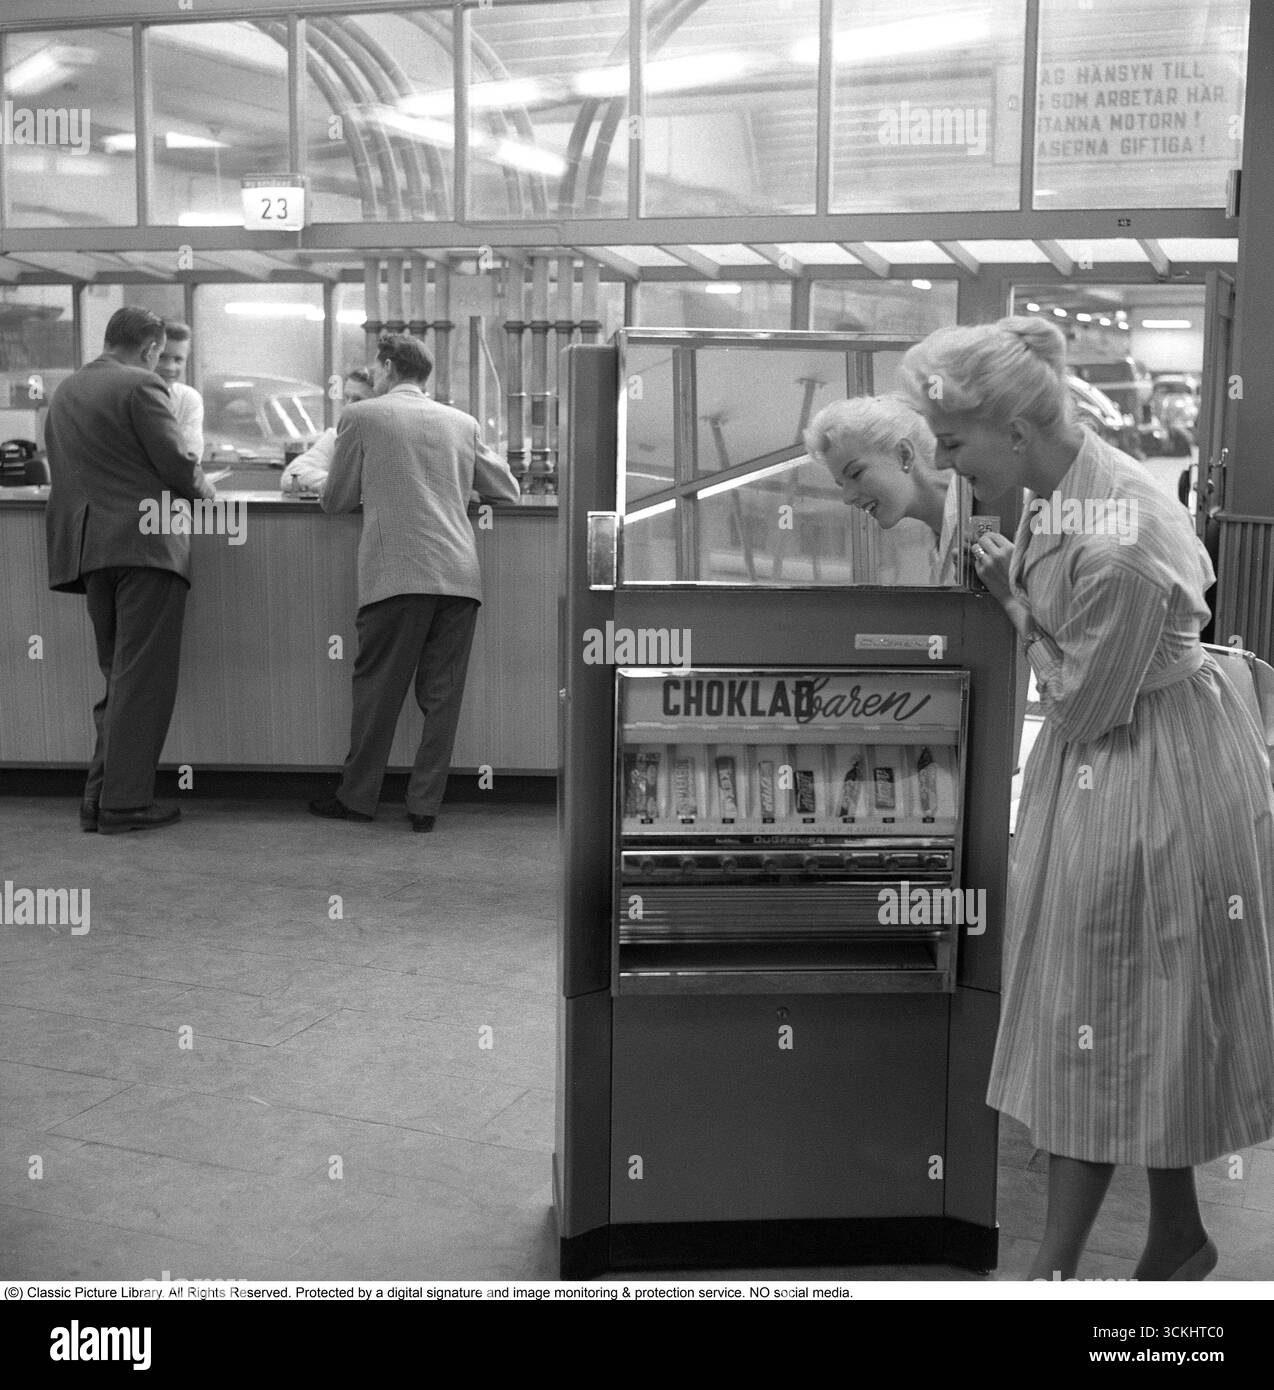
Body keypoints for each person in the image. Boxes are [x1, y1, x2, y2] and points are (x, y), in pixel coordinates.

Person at [898, 315, 1274, 1281]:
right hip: (1126, 761)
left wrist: (1013, 607)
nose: (944, 466)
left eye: (952, 446)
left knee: (1092, 1018)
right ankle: (1177, 1238)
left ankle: (1052, 1274)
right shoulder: (1065, 480)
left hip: (1150, 776)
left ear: (1015, 433)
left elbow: (1080, 701)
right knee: (1148, 1011)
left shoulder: (1124, 538)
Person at [310, 333, 520, 831]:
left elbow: (335, 500)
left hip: (395, 576)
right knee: (441, 699)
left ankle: (357, 799)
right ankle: (424, 807)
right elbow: (506, 489)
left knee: (377, 694)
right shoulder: (461, 422)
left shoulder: (363, 417)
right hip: (459, 578)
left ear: (386, 367)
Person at [44, 306, 216, 834]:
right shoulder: (142, 386)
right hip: (145, 548)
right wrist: (207, 492)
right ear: (149, 349)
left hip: (90, 549)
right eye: (161, 355)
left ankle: (98, 799)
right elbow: (174, 461)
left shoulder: (67, 390)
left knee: (120, 677)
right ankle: (124, 804)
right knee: (142, 682)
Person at [805, 393, 962, 583]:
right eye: (842, 485)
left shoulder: (989, 506)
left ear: (904, 454)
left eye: (855, 473)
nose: (847, 498)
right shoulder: (939, 549)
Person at [280, 368, 374, 495]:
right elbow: (291, 476)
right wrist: (343, 485)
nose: (348, 407)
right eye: (346, 398)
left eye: (358, 400)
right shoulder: (336, 436)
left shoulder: (392, 440)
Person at [156, 319, 204, 461]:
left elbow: (191, 457)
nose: (170, 367)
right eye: (162, 357)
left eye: (178, 360)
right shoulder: (126, 395)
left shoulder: (189, 398)